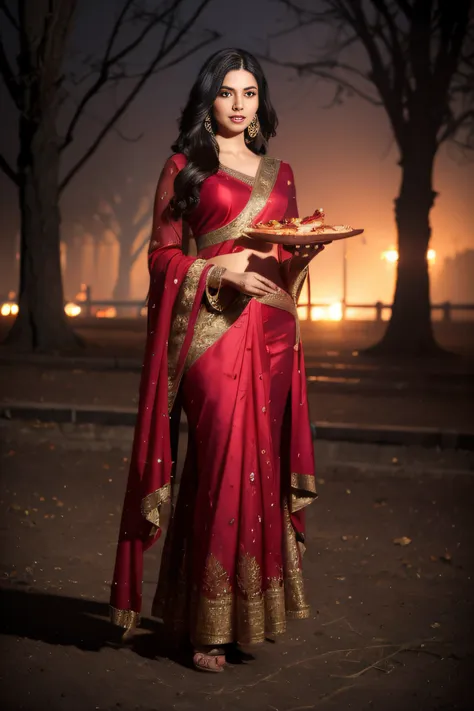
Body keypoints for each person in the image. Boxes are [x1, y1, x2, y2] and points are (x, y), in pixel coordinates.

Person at [110, 48, 326, 673]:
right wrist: (216, 268)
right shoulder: (185, 168)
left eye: (250, 94)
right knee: (222, 460)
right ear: (209, 100)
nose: (239, 104)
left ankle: (236, 621)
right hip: (210, 330)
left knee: (258, 465)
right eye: (228, 93)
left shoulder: (280, 173)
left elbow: (282, 258)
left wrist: (302, 259)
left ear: (261, 102)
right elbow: (160, 258)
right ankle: (205, 626)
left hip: (273, 330)